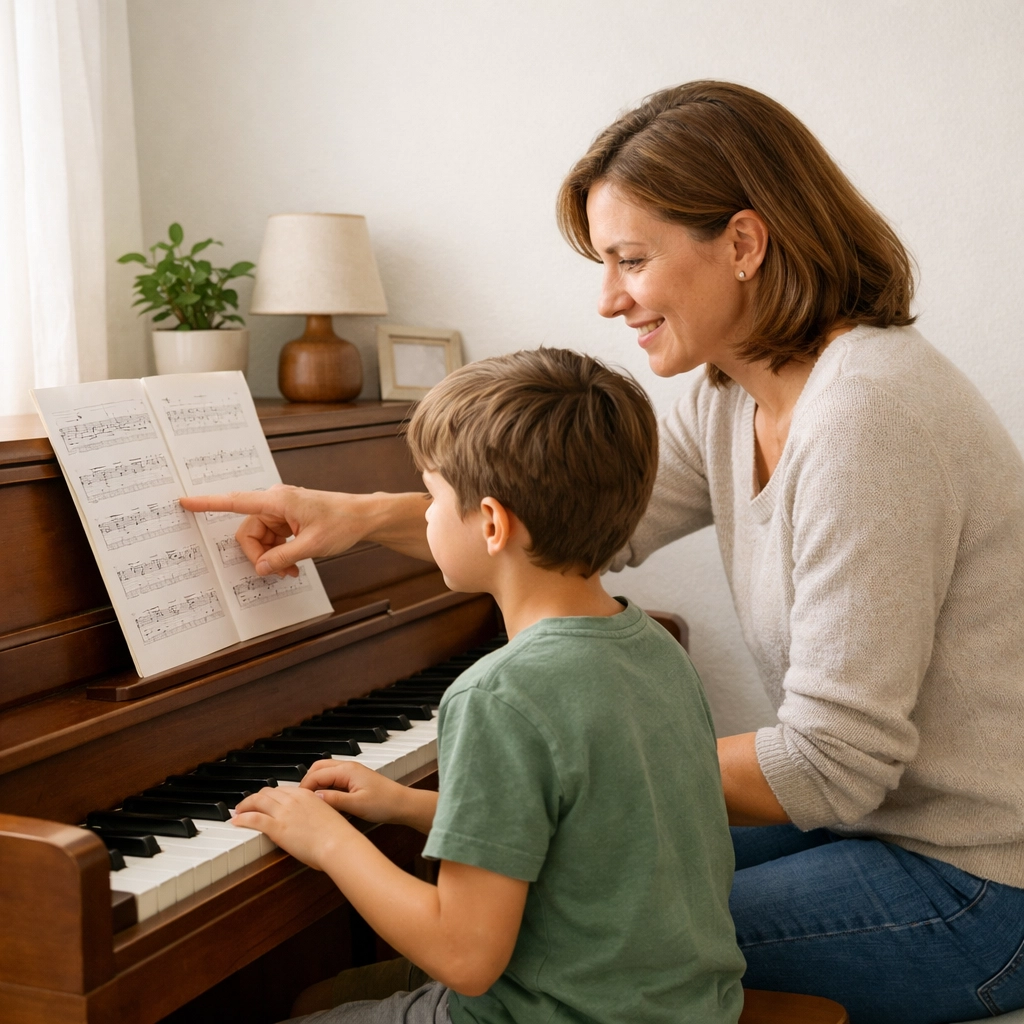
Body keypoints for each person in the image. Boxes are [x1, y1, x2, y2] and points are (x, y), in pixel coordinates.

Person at [184, 81, 1024, 1023]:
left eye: (631, 259)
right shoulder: (734, 393)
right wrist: (357, 513)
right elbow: (578, 521)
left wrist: (542, 783)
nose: (608, 297)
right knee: (560, 895)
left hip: (973, 880)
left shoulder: (869, 417)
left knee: (576, 930)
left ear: (744, 244)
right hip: (863, 829)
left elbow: (831, 764)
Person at [193, 348, 746, 1024]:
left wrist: (329, 842)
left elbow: (464, 959)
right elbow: (595, 823)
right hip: (684, 1010)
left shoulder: (498, 695)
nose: (423, 516)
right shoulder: (651, 649)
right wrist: (410, 807)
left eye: (430, 497)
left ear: (490, 522)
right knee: (321, 999)